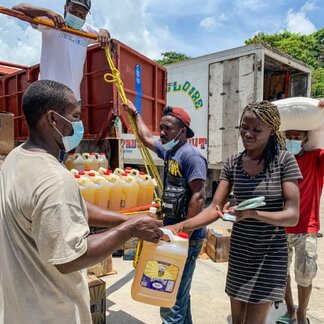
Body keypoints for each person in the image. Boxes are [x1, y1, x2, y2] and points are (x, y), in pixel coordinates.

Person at [0, 80, 163, 323]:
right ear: (53, 119)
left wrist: (124, 218)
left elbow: (67, 208)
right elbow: (71, 258)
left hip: (19, 308)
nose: (79, 125)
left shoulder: (15, 158)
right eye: (75, 116)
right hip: (52, 313)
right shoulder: (54, 179)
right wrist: (130, 229)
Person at [168, 101, 302, 324]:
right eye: (244, 127)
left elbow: (292, 214)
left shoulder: (284, 161)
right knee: (237, 321)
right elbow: (215, 208)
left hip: (269, 254)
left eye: (256, 129)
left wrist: (254, 214)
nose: (248, 134)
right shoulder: (233, 163)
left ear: (272, 130)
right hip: (240, 253)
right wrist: (181, 226)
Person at [124, 101, 207, 324]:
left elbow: (198, 196)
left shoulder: (191, 157)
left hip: (185, 238)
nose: (161, 132)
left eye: (167, 128)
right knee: (179, 295)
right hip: (174, 236)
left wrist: (184, 234)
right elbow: (145, 137)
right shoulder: (171, 151)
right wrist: (135, 113)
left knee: (169, 298)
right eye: (161, 127)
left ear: (182, 131)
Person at [277, 100, 324, 324]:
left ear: (306, 138)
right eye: (290, 137)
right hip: (281, 225)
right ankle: (290, 310)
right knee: (281, 272)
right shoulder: (279, 161)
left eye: (298, 137)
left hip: (306, 225)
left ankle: (303, 312)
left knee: (305, 272)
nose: (293, 141)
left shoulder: (316, 158)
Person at [12, 0, 110, 101]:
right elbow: (18, 8)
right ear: (65, 8)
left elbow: (104, 32)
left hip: (72, 98)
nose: (77, 16)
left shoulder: (86, 30)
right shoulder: (53, 22)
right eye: (73, 11)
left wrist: (104, 32)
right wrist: (48, 12)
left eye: (82, 15)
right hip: (48, 94)